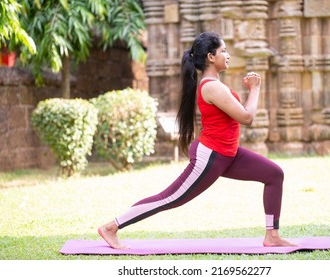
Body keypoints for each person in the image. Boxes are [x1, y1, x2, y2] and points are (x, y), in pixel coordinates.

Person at [98, 31, 295, 249]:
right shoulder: (211, 86)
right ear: (211, 57)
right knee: (170, 198)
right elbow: (246, 117)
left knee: (274, 174)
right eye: (224, 51)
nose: (227, 55)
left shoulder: (215, 85)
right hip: (211, 157)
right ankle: (111, 227)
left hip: (229, 154)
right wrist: (256, 88)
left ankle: (272, 236)